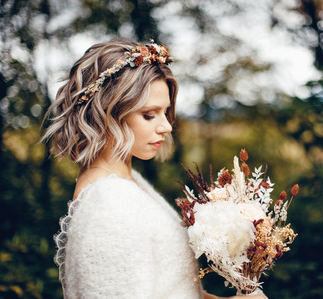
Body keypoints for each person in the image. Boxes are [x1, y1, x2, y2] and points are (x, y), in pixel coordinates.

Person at [42, 38, 268, 299]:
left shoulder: (128, 182)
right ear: (107, 112)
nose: (166, 126)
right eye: (149, 115)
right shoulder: (108, 205)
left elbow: (173, 290)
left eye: (166, 112)